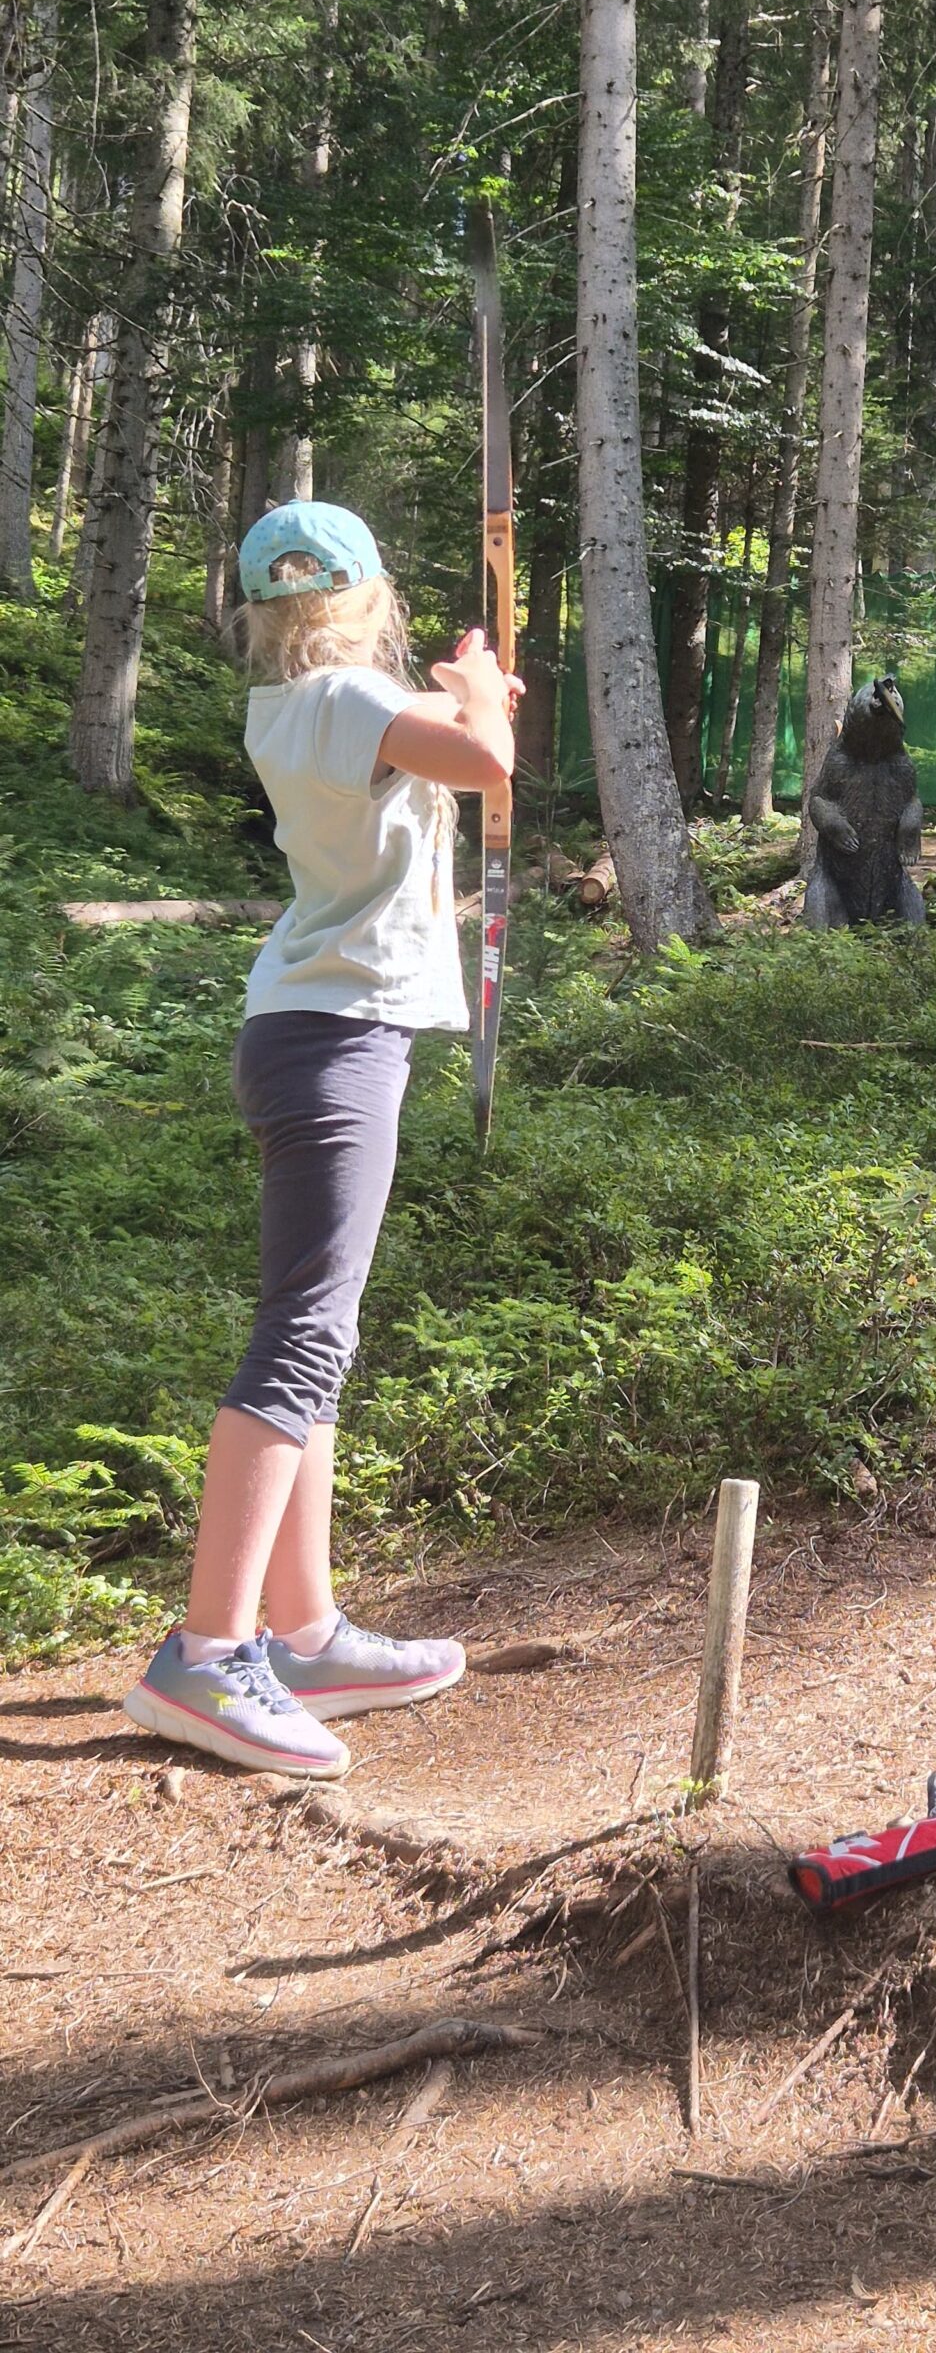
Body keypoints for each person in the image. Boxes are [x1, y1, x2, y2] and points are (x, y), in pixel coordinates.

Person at [123, 499, 522, 1779]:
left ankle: (299, 1631)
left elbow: (438, 757)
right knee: (301, 1337)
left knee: (318, 1332)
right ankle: (206, 1653)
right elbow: (487, 767)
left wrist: (464, 701)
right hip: (333, 1041)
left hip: (318, 1032)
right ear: (364, 600)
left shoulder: (297, 709)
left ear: (262, 610)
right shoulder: (350, 702)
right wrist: (479, 692)